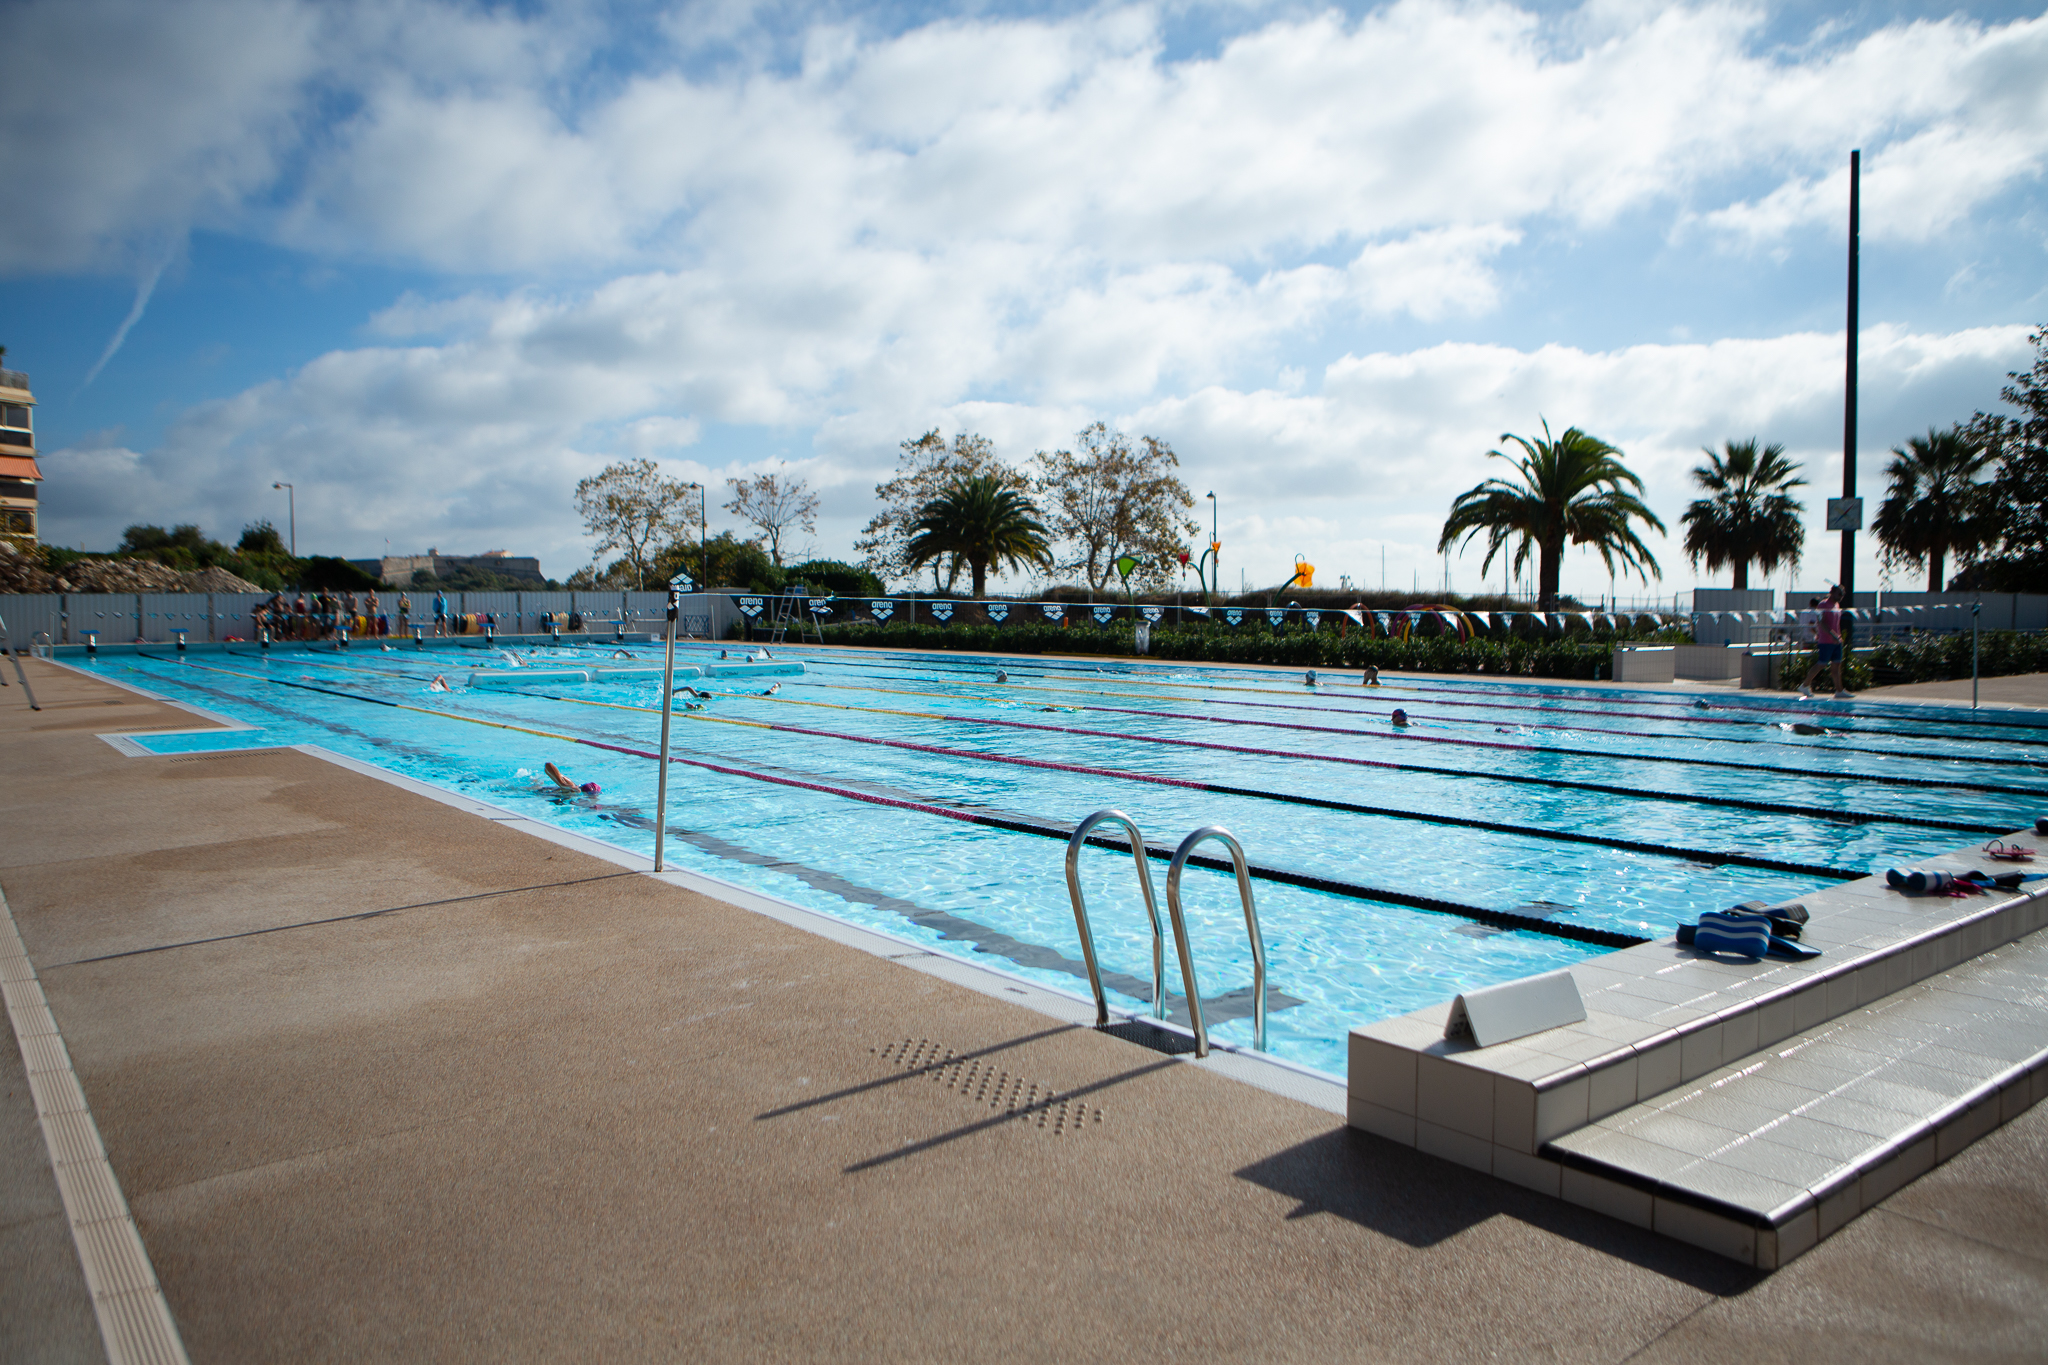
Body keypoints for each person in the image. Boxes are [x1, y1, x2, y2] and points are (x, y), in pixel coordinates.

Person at [1798, 584, 1851, 700]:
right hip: (1826, 640)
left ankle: (1839, 690)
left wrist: (1838, 636)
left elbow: (1836, 624)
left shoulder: (1836, 606)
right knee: (1821, 664)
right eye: (1839, 594)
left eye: (1843, 594)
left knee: (1836, 665)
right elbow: (1821, 623)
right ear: (1832, 593)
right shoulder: (1823, 605)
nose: (1841, 596)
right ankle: (1804, 685)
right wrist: (1832, 635)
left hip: (1837, 640)